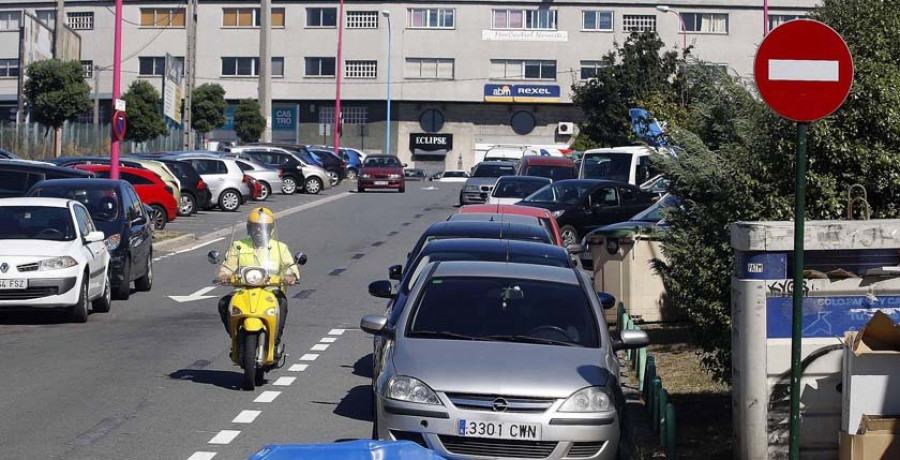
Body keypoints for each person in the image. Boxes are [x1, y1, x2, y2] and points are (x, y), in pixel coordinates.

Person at [216, 207, 300, 359]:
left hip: (270, 290)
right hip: (243, 290)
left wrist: (290, 276)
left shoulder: (280, 248)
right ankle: (236, 337)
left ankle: (274, 342)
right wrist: (224, 275)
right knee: (224, 303)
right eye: (255, 227)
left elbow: (290, 266)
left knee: (281, 303)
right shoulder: (239, 246)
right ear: (249, 228)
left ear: (271, 230)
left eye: (263, 228)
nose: (258, 231)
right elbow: (228, 265)